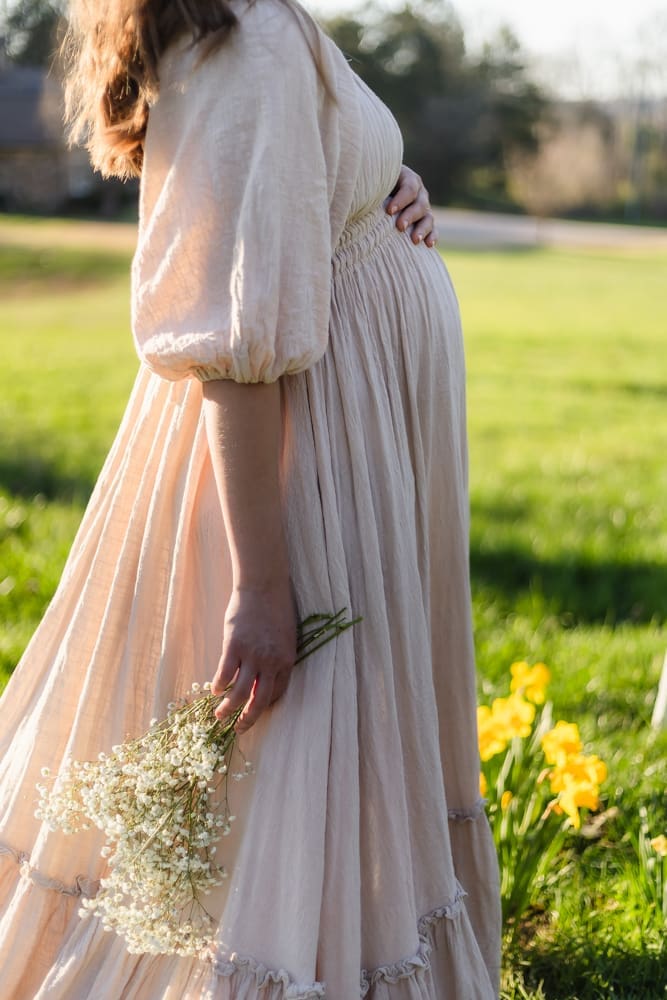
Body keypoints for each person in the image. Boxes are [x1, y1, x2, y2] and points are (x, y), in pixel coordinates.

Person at [0, 0, 501, 996]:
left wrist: (383, 182)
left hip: (347, 428)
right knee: (290, 726)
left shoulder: (270, 25)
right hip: (307, 447)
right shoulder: (250, 44)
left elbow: (287, 196)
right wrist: (261, 587)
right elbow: (238, 351)